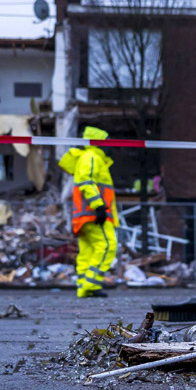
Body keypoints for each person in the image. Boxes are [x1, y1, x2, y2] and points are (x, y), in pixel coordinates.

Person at [58, 126, 120, 297]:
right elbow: (87, 182)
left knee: (88, 251)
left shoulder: (86, 158)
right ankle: (89, 285)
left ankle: (83, 288)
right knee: (107, 246)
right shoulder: (92, 157)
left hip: (84, 215)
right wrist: (99, 206)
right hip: (94, 214)